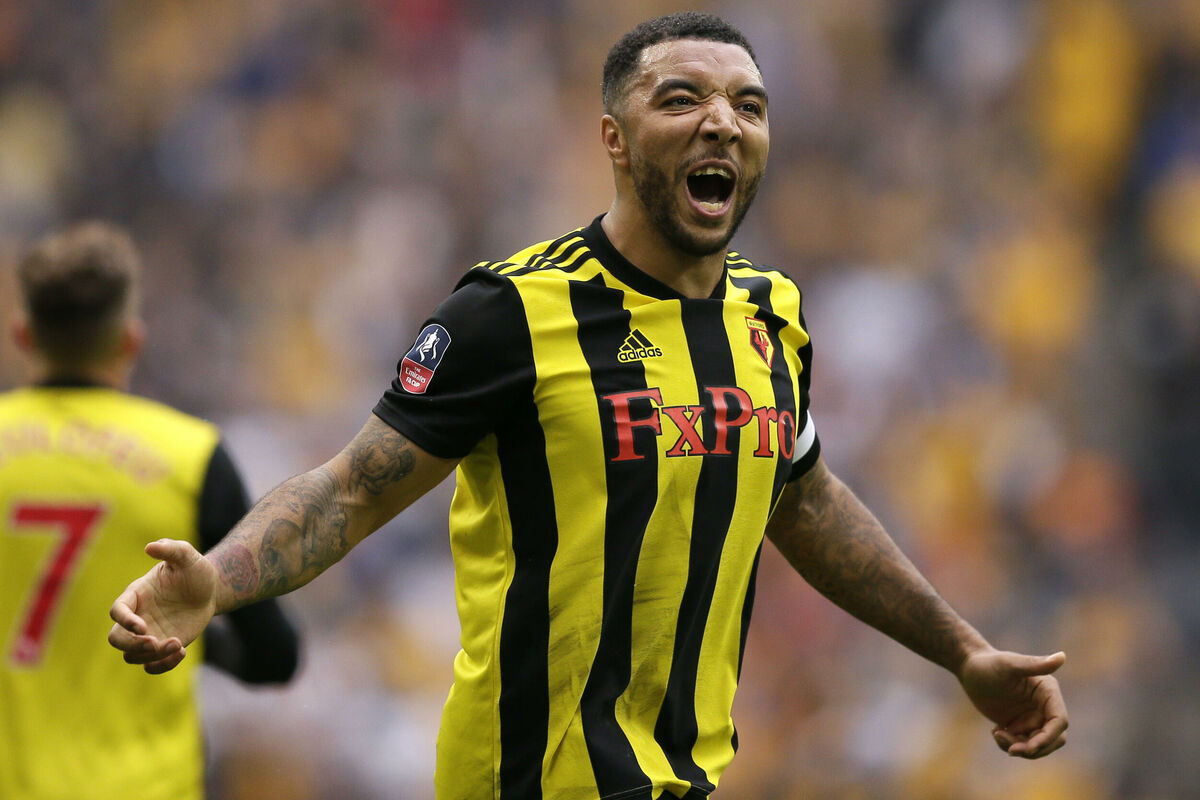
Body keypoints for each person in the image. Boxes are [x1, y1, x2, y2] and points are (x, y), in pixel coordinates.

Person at [108, 12, 1068, 799]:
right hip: (529, 781)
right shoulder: (510, 312)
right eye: (681, 99)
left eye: (748, 105)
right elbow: (351, 488)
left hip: (687, 777)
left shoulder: (770, 313)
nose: (722, 122)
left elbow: (805, 497)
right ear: (614, 138)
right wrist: (218, 580)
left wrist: (963, 653)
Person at [1, 221, 301, 800]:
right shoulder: (191, 457)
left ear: (21, 334)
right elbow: (274, 657)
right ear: (130, 341)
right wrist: (189, 641)